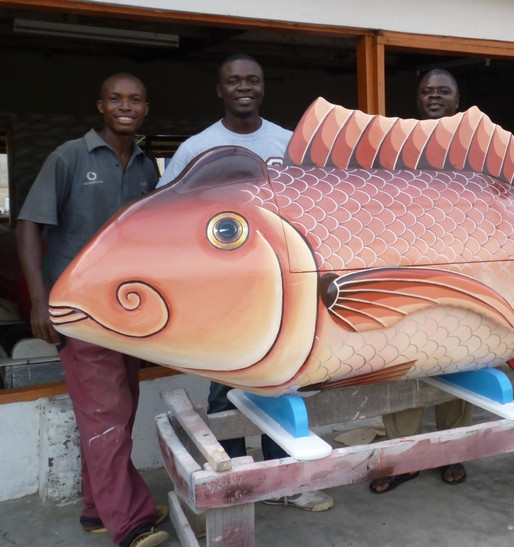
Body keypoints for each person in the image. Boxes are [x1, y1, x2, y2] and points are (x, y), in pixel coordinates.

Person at [156, 53, 333, 512]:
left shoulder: (288, 143)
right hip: (223, 295)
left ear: (262, 86)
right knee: (226, 384)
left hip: (283, 289)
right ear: (220, 90)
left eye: (252, 80)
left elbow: (314, 210)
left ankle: (285, 483)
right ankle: (234, 485)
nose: (243, 88)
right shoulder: (198, 148)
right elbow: (165, 215)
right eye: (233, 81)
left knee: (281, 380)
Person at [369, 69, 514, 495]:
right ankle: (404, 458)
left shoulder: (480, 145)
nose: (434, 97)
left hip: (466, 273)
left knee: (458, 357)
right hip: (409, 270)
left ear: (457, 99)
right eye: (426, 91)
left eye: (442, 91)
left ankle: (451, 454)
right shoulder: (398, 145)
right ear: (417, 100)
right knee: (404, 361)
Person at [16, 73, 168, 547]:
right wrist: (40, 301)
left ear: (145, 108)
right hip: (79, 310)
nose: (127, 106)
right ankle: (129, 522)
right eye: (117, 99)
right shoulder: (69, 156)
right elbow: (28, 226)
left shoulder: (146, 166)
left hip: (126, 311)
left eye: (136, 100)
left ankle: (96, 510)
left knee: (114, 413)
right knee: (107, 412)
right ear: (100, 105)